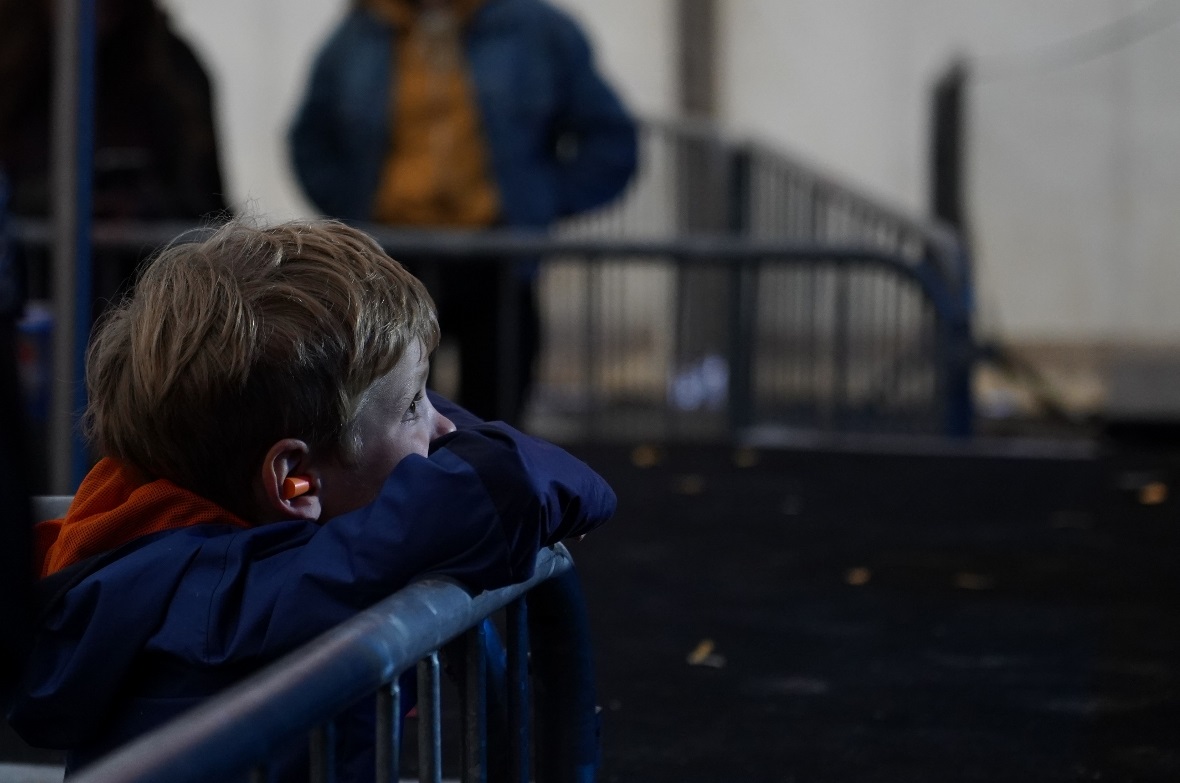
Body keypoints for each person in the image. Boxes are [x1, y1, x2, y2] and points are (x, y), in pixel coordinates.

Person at [5, 219, 616, 780]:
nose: (448, 430)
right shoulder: (256, 596)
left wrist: (392, 394)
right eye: (414, 406)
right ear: (295, 479)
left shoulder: (143, 534)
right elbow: (511, 482)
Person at [289, 0, 638, 424]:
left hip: (497, 260)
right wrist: (353, 207)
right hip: (392, 261)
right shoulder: (363, 33)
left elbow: (610, 139)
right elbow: (310, 139)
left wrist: (543, 202)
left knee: (495, 424)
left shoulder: (536, 29)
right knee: (391, 425)